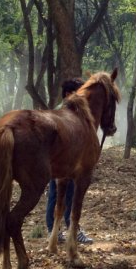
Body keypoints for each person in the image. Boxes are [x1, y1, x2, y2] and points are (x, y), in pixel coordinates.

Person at [46, 77, 93, 244]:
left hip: (72, 160)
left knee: (69, 194)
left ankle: (69, 229)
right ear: (68, 94)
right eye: (79, 93)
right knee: (55, 193)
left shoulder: (74, 112)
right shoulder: (63, 111)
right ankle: (54, 230)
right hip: (60, 160)